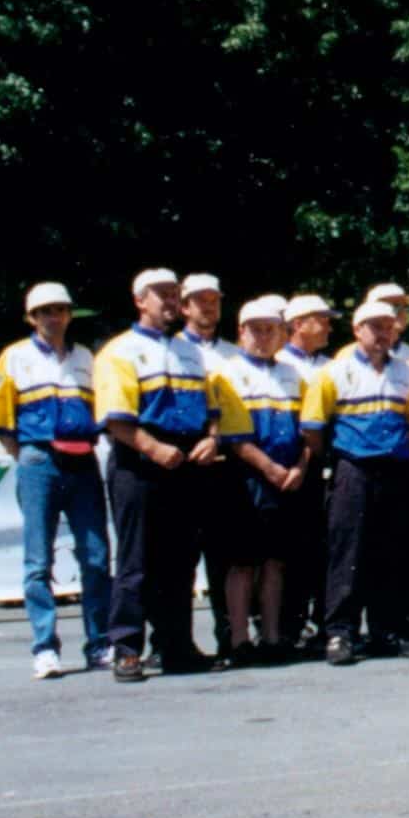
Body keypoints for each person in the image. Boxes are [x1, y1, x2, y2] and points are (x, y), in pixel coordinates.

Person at [95, 268, 238, 681]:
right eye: (161, 294)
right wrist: (153, 448)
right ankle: (125, 647)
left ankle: (175, 644)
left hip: (186, 458)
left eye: (175, 293)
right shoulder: (120, 352)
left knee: (179, 559)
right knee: (136, 558)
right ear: (140, 300)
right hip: (140, 459)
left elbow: (211, 409)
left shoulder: (190, 352)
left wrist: (211, 438)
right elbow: (115, 419)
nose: (171, 300)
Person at [301, 300, 409, 664]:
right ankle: (340, 633)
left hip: (395, 470)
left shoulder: (406, 374)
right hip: (353, 468)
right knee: (347, 551)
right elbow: (313, 429)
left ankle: (388, 630)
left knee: (393, 551)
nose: (382, 334)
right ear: (357, 329)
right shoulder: (335, 372)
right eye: (374, 326)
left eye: (388, 327)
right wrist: (336, 462)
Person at [0, 282, 111, 679]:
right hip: (39, 457)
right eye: (45, 311)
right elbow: (4, 422)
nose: (53, 317)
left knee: (94, 555)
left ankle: (99, 643)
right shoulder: (14, 358)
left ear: (69, 314)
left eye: (60, 310)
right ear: (32, 317)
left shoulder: (85, 358)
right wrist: (30, 456)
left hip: (82, 459)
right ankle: (44, 646)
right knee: (38, 559)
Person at [218, 298, 312, 664]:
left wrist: (300, 468)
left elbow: (309, 431)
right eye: (255, 329)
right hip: (245, 477)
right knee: (242, 562)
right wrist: (269, 468)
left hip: (286, 477)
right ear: (241, 332)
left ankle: (272, 636)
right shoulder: (227, 374)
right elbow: (234, 437)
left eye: (270, 329)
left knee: (275, 560)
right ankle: (240, 639)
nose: (263, 336)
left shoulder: (292, 374)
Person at [181, 273, 245, 662]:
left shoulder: (234, 354)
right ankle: (175, 641)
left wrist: (218, 438)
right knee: (181, 560)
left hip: (224, 465)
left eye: (214, 300)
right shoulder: (174, 349)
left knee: (224, 559)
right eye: (199, 300)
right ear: (184, 306)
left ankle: (229, 638)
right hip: (185, 466)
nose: (208, 307)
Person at [275, 293, 335, 649]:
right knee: (293, 550)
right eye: (320, 319)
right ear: (298, 325)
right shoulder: (282, 364)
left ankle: (323, 622)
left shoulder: (330, 365)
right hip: (294, 466)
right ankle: (289, 625)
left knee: (325, 547)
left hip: (326, 464)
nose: (328, 325)